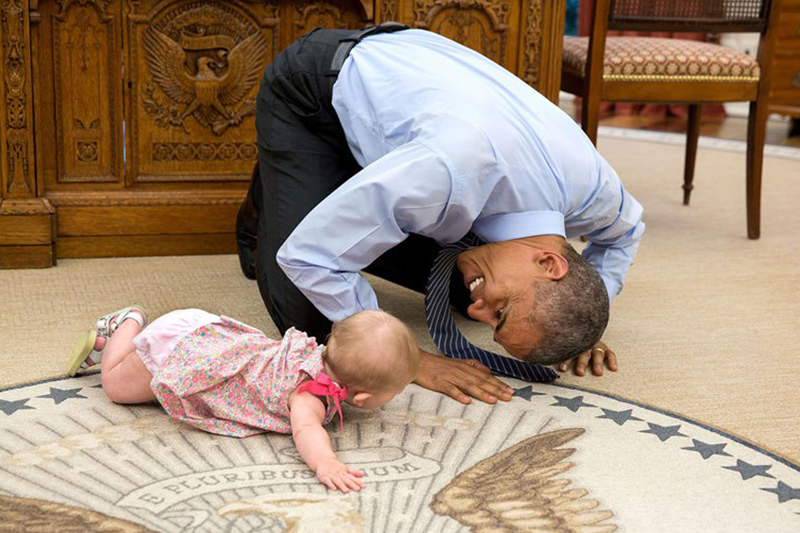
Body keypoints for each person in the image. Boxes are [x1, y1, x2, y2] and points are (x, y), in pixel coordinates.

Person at [236, 24, 645, 405]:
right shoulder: (449, 172)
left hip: (415, 123)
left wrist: (580, 322)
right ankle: (280, 185)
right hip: (314, 91)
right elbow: (309, 256)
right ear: (549, 262)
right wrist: (408, 358)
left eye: (492, 322)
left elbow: (626, 233)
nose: (475, 314)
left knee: (454, 285)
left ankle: (328, 189)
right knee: (316, 322)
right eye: (499, 314)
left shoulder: (596, 191)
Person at [66, 306, 420, 493]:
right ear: (362, 396)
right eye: (396, 391)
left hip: (208, 333)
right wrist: (325, 462)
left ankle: (130, 336)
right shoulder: (309, 394)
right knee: (114, 385)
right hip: (182, 352)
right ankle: (125, 325)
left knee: (123, 381)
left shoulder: (317, 353)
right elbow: (306, 430)